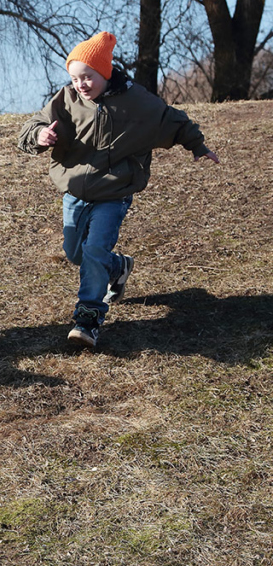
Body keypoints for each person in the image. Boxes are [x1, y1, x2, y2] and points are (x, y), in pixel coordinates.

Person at [18, 31, 219, 348]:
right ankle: (119, 266)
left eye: (88, 76)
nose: (81, 84)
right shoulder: (66, 100)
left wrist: (197, 146)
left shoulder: (137, 103)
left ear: (105, 73)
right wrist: (41, 135)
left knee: (94, 251)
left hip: (113, 194)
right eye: (75, 77)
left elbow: (173, 120)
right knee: (76, 253)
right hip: (75, 192)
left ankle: (88, 320)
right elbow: (32, 126)